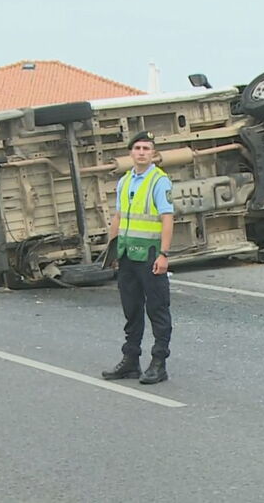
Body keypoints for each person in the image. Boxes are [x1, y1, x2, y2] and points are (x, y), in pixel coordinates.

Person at [101, 130, 174, 384]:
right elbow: (119, 217)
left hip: (150, 254)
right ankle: (130, 361)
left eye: (146, 148)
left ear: (153, 153)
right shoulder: (124, 181)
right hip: (127, 254)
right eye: (137, 148)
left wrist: (164, 254)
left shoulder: (159, 181)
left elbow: (167, 218)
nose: (142, 152)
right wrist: (112, 250)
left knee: (157, 308)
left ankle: (159, 362)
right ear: (131, 152)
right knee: (131, 310)